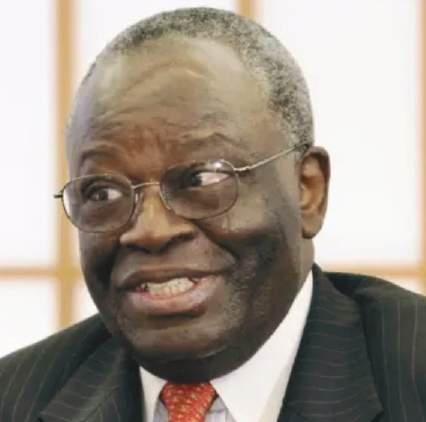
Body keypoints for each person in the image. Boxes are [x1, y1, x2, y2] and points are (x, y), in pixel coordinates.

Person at [0, 7, 425, 422]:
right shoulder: (14, 400)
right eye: (103, 192)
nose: (150, 230)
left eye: (201, 179)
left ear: (307, 190)